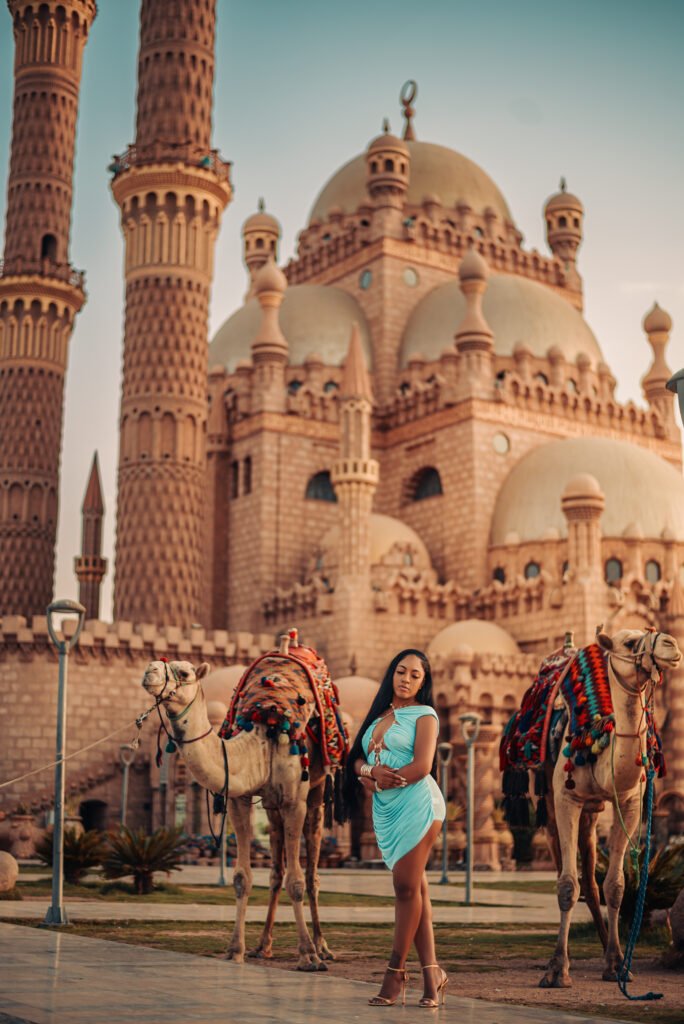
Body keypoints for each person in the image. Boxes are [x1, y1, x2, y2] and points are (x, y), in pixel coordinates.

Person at [343, 648, 448, 1007]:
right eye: (400, 672)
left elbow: (423, 765)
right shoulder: (379, 716)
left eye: (414, 675)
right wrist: (369, 772)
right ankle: (432, 975)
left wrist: (387, 780)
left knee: (404, 888)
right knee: (415, 891)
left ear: (423, 682)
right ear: (392, 673)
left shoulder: (426, 715)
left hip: (420, 803)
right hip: (387, 807)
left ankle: (395, 973)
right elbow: (357, 757)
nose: (405, 679)